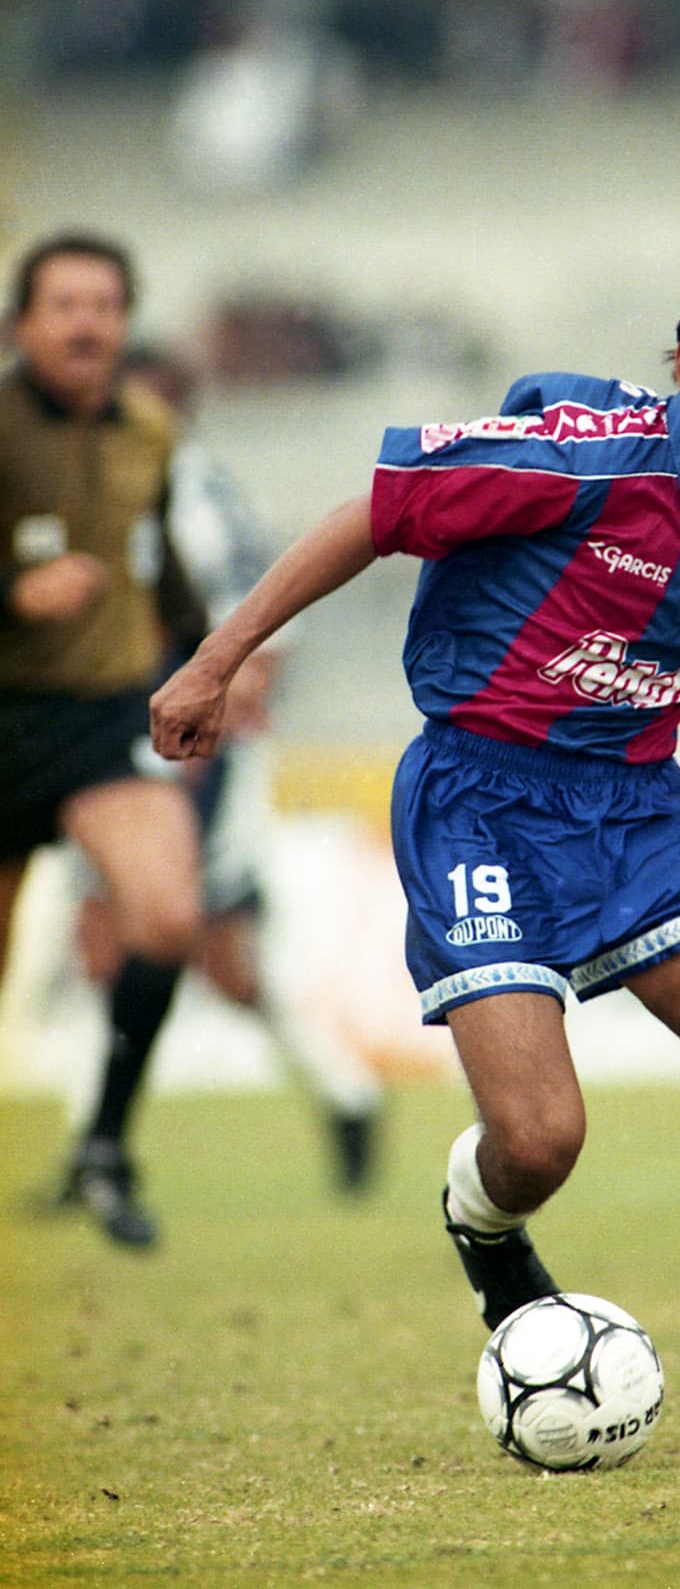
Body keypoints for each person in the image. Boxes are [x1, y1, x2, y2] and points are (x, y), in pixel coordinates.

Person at [151, 224, 680, 1449]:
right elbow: (374, 515)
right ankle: (481, 1221)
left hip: (637, 819)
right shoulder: (580, 462)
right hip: (477, 801)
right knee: (539, 1141)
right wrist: (216, 663)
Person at [67, 344, 385, 1192]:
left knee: (217, 958)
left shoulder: (197, 491)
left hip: (196, 763)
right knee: (102, 941)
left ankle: (345, 1091)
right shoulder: (98, 486)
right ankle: (92, 1139)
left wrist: (204, 741)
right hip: (111, 747)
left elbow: (267, 640)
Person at [0, 232, 205, 1245]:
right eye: (64, 304)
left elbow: (157, 561)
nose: (87, 323)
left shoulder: (148, 427)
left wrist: (217, 654)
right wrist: (11, 590)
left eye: (104, 305)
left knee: (168, 917)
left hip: (101, 718)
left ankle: (105, 1145)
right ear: (21, 324)